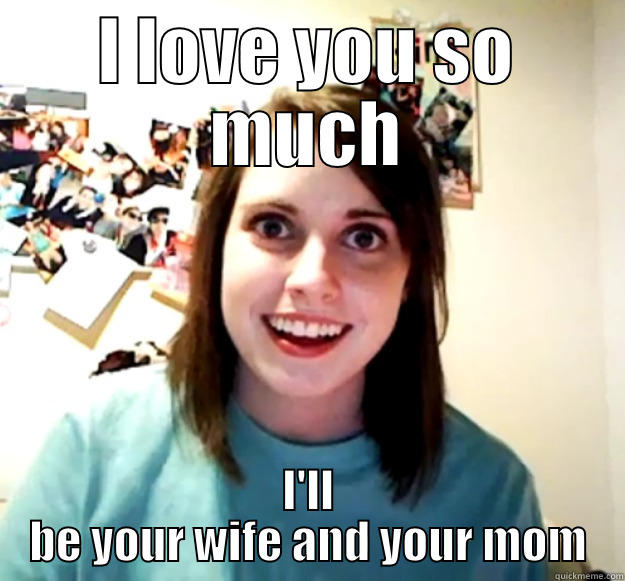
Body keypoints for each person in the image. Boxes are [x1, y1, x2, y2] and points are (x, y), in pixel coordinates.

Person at [0, 86, 546, 579]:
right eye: (273, 226)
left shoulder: (492, 494)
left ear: (411, 276)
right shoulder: (96, 444)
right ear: (218, 250)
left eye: (364, 237)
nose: (312, 280)